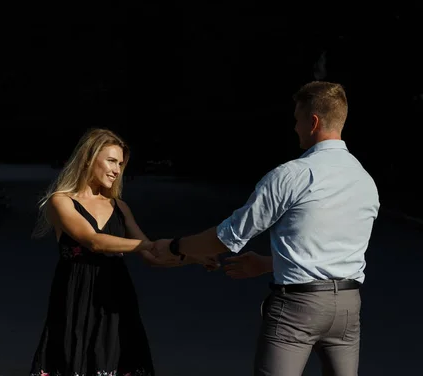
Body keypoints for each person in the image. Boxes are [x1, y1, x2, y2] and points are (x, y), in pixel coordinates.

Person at [151, 81, 380, 376]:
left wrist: (176, 246)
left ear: (313, 122)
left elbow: (228, 237)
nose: (294, 127)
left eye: (297, 120)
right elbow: (335, 250)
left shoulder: (292, 175)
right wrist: (269, 264)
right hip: (349, 307)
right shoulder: (365, 182)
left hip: (298, 307)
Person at [30, 127, 217, 376]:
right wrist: (148, 244)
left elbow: (153, 257)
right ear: (88, 158)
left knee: (116, 359)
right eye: (111, 161)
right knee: (74, 359)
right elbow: (93, 241)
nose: (117, 170)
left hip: (116, 295)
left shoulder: (119, 206)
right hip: (76, 295)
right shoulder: (61, 200)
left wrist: (193, 257)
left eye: (120, 163)